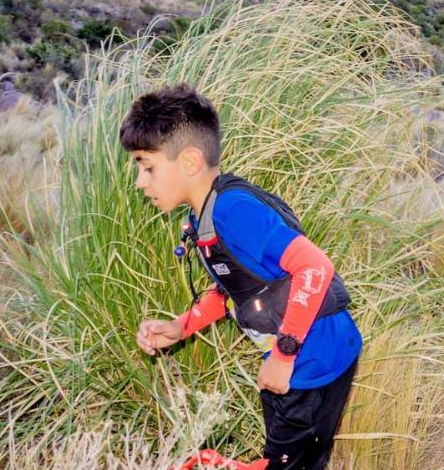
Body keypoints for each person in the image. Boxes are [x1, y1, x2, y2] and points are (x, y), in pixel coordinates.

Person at [119, 84, 362, 470]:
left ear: (189, 161)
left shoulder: (233, 210)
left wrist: (284, 355)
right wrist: (180, 327)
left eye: (147, 166)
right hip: (303, 356)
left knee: (291, 462)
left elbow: (314, 267)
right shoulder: (204, 214)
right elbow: (235, 289)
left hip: (313, 360)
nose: (140, 182)